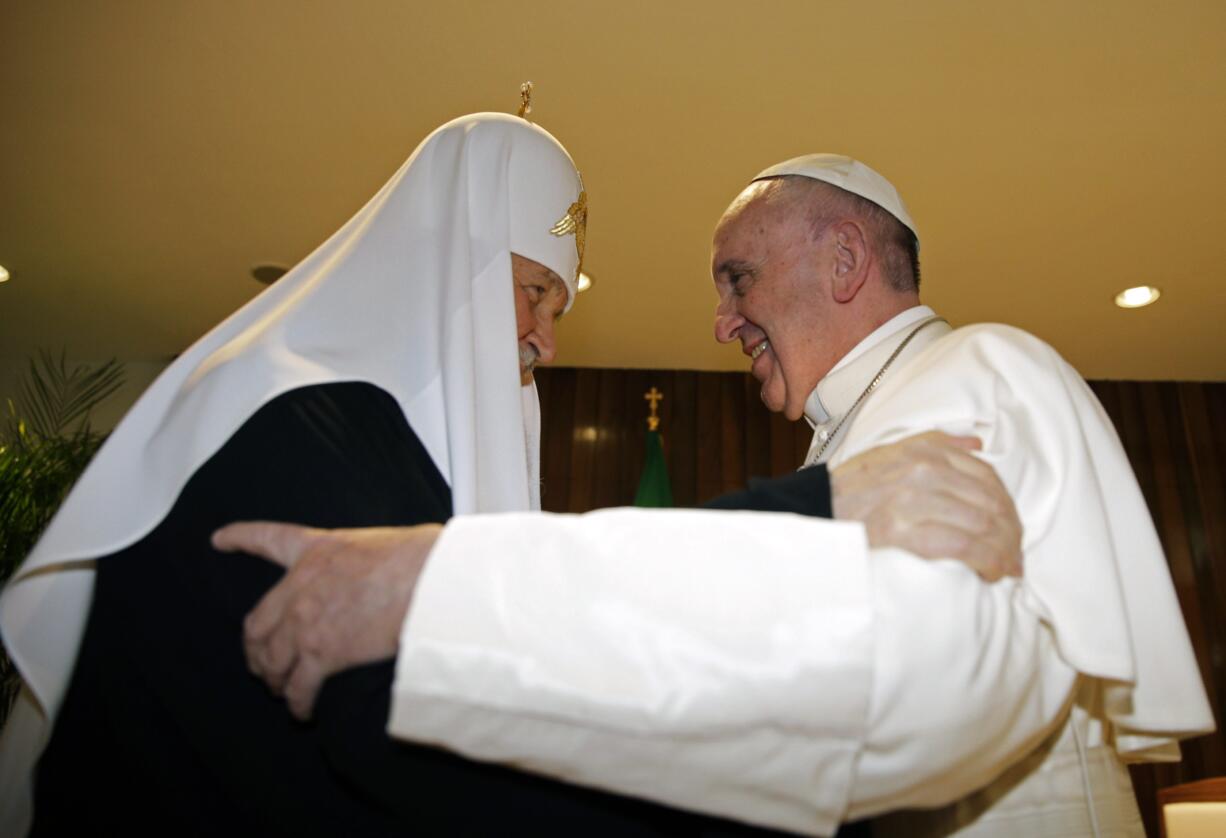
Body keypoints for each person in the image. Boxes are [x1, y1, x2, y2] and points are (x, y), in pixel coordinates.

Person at [0, 108, 1022, 837]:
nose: (540, 340)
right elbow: (422, 742)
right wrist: (825, 519)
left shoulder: (361, 434)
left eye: (557, 309)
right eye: (531, 293)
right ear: (443, 265)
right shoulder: (299, 417)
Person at [213, 155, 1214, 836]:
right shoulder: (862, 423)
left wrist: (439, 593)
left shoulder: (973, 370)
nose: (720, 321)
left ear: (843, 261)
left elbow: (913, 670)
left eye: (737, 279)